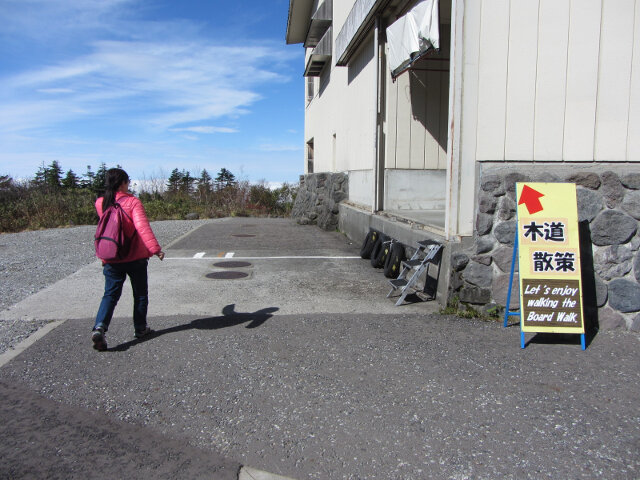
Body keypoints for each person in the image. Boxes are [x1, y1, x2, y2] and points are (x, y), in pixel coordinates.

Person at [92, 168, 165, 351]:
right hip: (136, 258)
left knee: (110, 294)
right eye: (128, 181)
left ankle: (100, 326)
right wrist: (155, 249)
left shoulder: (101, 203)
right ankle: (140, 329)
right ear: (123, 183)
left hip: (112, 257)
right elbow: (142, 228)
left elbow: (106, 230)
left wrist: (102, 255)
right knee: (140, 294)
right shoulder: (132, 202)